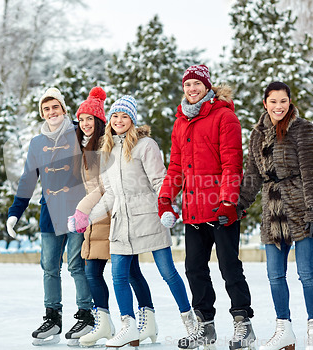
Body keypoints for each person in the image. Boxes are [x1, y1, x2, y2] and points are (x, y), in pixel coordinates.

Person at [78, 95, 196, 348]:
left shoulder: (145, 145)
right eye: (115, 116)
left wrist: (168, 207)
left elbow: (159, 180)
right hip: (122, 222)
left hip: (149, 218)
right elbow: (109, 194)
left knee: (168, 273)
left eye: (124, 116)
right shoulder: (105, 151)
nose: (119, 120)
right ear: (109, 120)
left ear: (132, 120)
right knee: (119, 275)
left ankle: (191, 322)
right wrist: (90, 216)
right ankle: (128, 327)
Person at [158, 64, 255, 350]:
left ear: (207, 86)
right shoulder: (180, 122)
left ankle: (243, 324)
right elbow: (176, 165)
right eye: (188, 85)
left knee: (229, 267)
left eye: (197, 84)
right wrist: (166, 198)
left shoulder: (224, 116)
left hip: (221, 210)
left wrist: (228, 201)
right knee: (194, 269)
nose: (192, 89)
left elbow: (232, 162)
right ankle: (205, 326)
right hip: (193, 210)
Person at [238, 81, 313, 350]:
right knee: (275, 274)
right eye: (273, 101)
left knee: (306, 272)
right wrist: (239, 204)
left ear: (290, 102)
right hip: (272, 209)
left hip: (301, 208)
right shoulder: (257, 135)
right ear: (265, 103)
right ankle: (284, 330)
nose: (279, 106)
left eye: (283, 101)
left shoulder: (303, 129)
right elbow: (252, 175)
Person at [67, 87, 161, 347]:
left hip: (112, 214)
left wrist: (84, 210)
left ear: (100, 121)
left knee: (128, 272)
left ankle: (141, 321)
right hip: (95, 215)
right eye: (81, 118)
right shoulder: (86, 147)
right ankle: (107, 322)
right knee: (95, 272)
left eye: (90, 119)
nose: (85, 124)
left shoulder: (106, 144)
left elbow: (105, 187)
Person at [5, 87, 94, 346]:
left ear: (64, 109)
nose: (51, 112)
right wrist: (15, 213)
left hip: (78, 211)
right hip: (49, 214)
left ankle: (86, 317)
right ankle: (53, 319)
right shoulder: (37, 142)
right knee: (49, 268)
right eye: (46, 109)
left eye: (55, 107)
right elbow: (27, 180)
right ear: (42, 114)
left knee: (77, 265)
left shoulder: (79, 132)